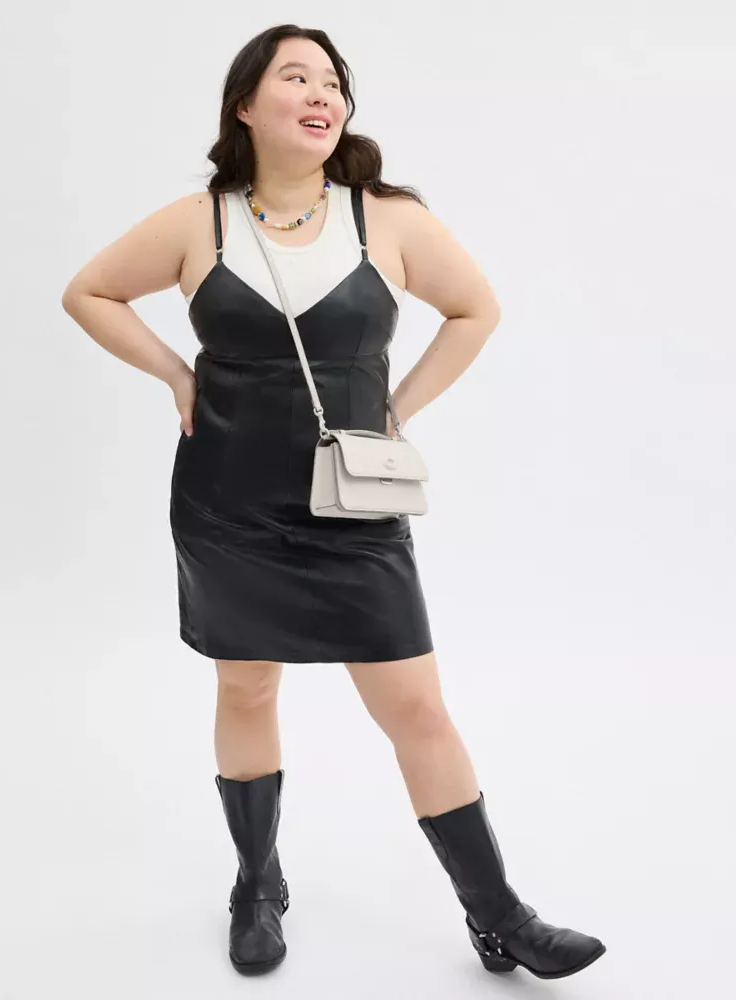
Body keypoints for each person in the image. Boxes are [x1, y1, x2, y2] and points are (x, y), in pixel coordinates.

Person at [62, 23, 606, 982]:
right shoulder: (199, 221)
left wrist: (399, 407)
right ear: (246, 105)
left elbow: (476, 308)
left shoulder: (383, 218)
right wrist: (177, 376)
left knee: (418, 709)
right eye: (297, 77)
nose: (323, 95)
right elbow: (90, 292)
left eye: (333, 82)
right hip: (227, 499)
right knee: (247, 688)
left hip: (352, 506)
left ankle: (499, 916)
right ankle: (256, 884)